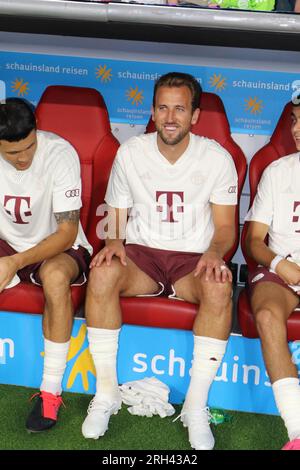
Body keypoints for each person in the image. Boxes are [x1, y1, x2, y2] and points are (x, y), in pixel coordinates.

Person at [81, 72, 238, 450]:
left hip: (192, 261)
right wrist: (114, 241)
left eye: (180, 109)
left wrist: (216, 253)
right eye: (163, 108)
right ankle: (106, 395)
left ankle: (196, 408)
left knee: (219, 285)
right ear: (152, 111)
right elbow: (116, 213)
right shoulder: (131, 151)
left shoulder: (217, 158)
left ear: (195, 115)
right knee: (101, 273)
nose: (170, 117)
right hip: (141, 257)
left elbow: (225, 227)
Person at [0, 98, 92, 433]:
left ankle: (51, 391)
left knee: (54, 277)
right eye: (12, 153)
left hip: (58, 245)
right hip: (8, 244)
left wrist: (14, 262)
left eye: (29, 146)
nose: (23, 158)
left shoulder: (59, 153)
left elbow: (67, 232)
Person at [245, 99, 300, 450]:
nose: (296, 130)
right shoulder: (278, 171)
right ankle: (297, 431)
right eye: (294, 121)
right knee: (265, 314)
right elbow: (252, 242)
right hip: (284, 269)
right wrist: (281, 264)